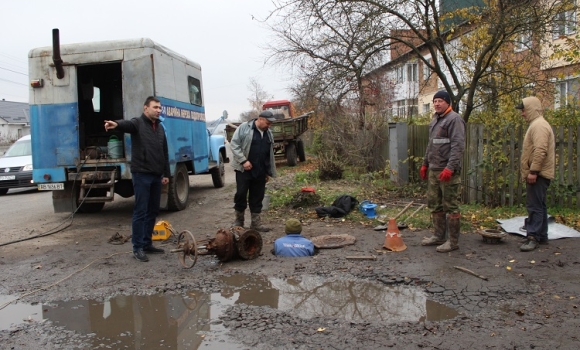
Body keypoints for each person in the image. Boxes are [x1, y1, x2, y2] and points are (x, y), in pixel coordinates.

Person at [104, 96, 170, 262]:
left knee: (153, 210)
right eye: (155, 107)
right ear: (145, 108)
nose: (158, 110)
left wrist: (166, 173)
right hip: (141, 174)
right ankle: (138, 247)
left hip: (156, 175)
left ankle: (147, 244)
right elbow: (127, 124)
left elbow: (164, 152)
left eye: (159, 108)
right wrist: (116, 124)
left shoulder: (160, 128)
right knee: (140, 211)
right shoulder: (138, 123)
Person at [420, 90, 466, 253]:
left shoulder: (454, 119)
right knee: (435, 203)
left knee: (451, 205)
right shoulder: (435, 120)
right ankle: (439, 236)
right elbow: (431, 145)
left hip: (447, 172)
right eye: (435, 101)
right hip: (434, 169)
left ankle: (453, 242)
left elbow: (458, 146)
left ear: (448, 103)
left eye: (440, 101)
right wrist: (425, 164)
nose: (437, 104)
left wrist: (450, 168)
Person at [516, 96, 555, 252]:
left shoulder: (539, 126)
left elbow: (540, 150)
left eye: (524, 110)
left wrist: (533, 171)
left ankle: (532, 237)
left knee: (534, 206)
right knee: (540, 205)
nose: (522, 113)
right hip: (540, 173)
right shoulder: (537, 124)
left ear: (531, 109)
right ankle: (542, 235)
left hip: (538, 174)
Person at [230, 110, 277, 232]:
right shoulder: (244, 128)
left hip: (260, 171)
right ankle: (239, 221)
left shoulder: (269, 133)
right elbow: (234, 144)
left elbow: (268, 154)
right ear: (260, 119)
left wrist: (268, 171)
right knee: (241, 194)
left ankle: (256, 223)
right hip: (243, 170)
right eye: (267, 123)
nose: (269, 126)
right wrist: (243, 161)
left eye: (270, 124)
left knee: (257, 197)